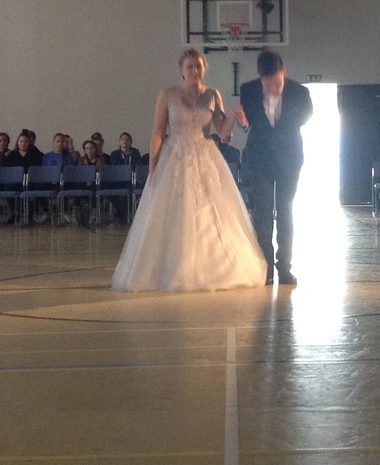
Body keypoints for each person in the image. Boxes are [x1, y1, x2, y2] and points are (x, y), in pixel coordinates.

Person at [111, 48, 266, 292]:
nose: (194, 70)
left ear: (204, 69)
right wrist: (153, 166)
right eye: (190, 67)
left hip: (205, 154)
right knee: (176, 211)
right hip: (175, 155)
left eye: (198, 66)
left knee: (208, 211)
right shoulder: (168, 95)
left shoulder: (213, 94)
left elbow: (222, 132)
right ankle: (173, 268)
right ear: (182, 71)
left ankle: (209, 267)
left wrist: (234, 116)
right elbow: (158, 132)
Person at [235, 49, 313, 286]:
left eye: (277, 82)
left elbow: (307, 116)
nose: (273, 88)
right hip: (259, 159)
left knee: (285, 211)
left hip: (289, 157)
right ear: (260, 77)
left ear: (284, 72)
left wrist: (282, 127)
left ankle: (284, 267)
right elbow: (247, 122)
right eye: (268, 84)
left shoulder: (300, 92)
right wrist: (243, 123)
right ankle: (266, 267)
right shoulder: (248, 90)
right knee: (263, 213)